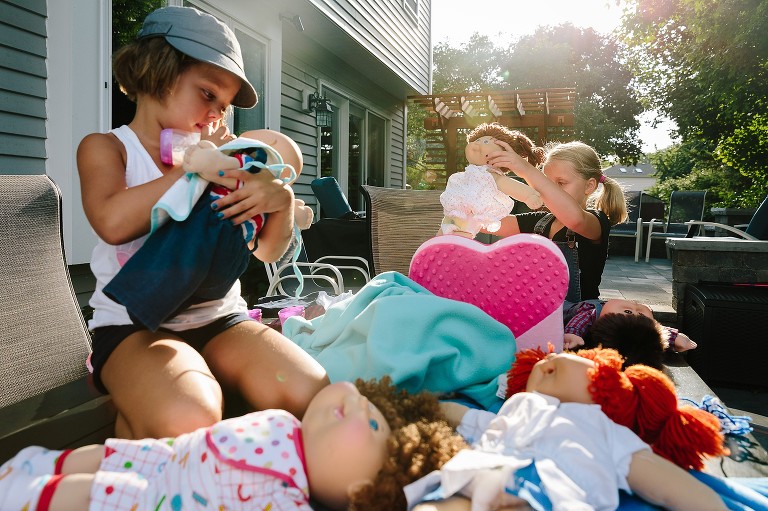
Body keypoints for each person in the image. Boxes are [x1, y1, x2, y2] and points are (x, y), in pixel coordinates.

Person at [77, 5, 328, 439]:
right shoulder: (108, 148)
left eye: (225, 105)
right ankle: (135, 420)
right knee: (188, 416)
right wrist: (193, 168)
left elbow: (266, 250)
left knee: (314, 394)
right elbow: (112, 223)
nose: (216, 114)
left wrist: (280, 201)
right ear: (157, 70)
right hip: (134, 327)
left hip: (218, 319)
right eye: (208, 94)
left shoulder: (232, 158)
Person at [0, 377, 467, 511]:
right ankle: (38, 465)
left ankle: (20, 491)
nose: (364, 408)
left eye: (375, 429)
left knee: (87, 496)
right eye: (373, 405)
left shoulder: (286, 500)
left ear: (364, 493)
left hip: (153, 501)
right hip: (163, 458)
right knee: (100, 458)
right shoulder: (289, 425)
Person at [407, 348, 732, 511]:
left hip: (548, 494)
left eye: (581, 360)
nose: (551, 356)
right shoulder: (518, 406)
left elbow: (663, 481)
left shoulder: (604, 429)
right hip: (475, 477)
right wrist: (423, 404)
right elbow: (470, 419)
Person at [102, 129, 313, 331]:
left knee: (168, 281)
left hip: (211, 264)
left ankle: (135, 314)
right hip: (215, 265)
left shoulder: (252, 166)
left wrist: (286, 201)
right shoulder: (130, 150)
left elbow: (267, 251)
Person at [486, 141, 628, 301]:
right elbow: (488, 223)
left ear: (589, 186)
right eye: (547, 182)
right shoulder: (540, 221)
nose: (549, 190)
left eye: (560, 183)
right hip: (540, 313)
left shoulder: (596, 222)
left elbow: (575, 220)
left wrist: (526, 169)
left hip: (577, 318)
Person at [439, 123, 544, 238]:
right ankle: (436, 244)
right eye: (477, 140)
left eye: (485, 142)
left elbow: (508, 185)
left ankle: (449, 246)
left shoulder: (490, 176)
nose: (477, 144)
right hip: (452, 215)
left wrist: (528, 196)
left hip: (468, 220)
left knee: (461, 234)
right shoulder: (467, 174)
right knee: (443, 231)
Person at [563, 298, 698, 357]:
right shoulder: (645, 329)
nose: (635, 311)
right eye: (641, 315)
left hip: (568, 309)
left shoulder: (593, 315)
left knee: (561, 306)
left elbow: (579, 321)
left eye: (627, 312)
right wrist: (674, 338)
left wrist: (572, 334)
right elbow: (655, 332)